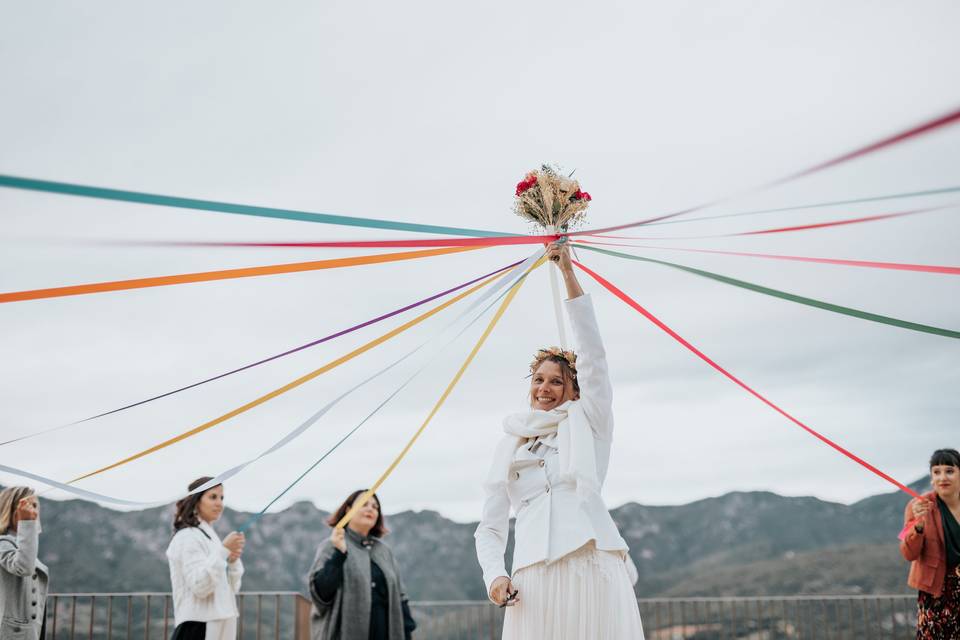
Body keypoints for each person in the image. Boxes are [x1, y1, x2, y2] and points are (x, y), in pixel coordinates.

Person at [474, 241, 644, 639]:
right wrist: (495, 576)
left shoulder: (590, 421)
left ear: (574, 390)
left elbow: (593, 356)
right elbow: (491, 527)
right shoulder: (510, 445)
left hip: (592, 563)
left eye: (557, 381)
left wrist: (567, 272)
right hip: (533, 579)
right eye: (539, 380)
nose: (545, 388)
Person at [308, 490, 417, 640]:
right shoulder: (331, 545)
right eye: (364, 504)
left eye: (375, 506)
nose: (370, 509)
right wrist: (339, 553)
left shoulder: (384, 551)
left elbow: (400, 597)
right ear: (348, 510)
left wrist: (407, 633)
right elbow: (321, 594)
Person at [165, 477, 245, 640]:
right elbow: (200, 586)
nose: (219, 503)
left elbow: (232, 588)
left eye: (221, 498)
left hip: (220, 624)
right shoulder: (187, 536)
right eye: (213, 497)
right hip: (198, 626)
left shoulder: (211, 538)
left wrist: (232, 560)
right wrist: (223, 551)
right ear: (196, 500)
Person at [901, 448, 960, 639]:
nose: (943, 477)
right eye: (937, 472)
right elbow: (908, 553)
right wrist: (918, 524)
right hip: (936, 591)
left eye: (949, 471)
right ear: (931, 477)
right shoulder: (918, 505)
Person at [0, 487, 48, 640]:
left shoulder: (24, 545)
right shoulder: (2, 543)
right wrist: (26, 522)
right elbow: (23, 567)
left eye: (35, 506)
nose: (33, 511)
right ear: (12, 509)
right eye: (28, 505)